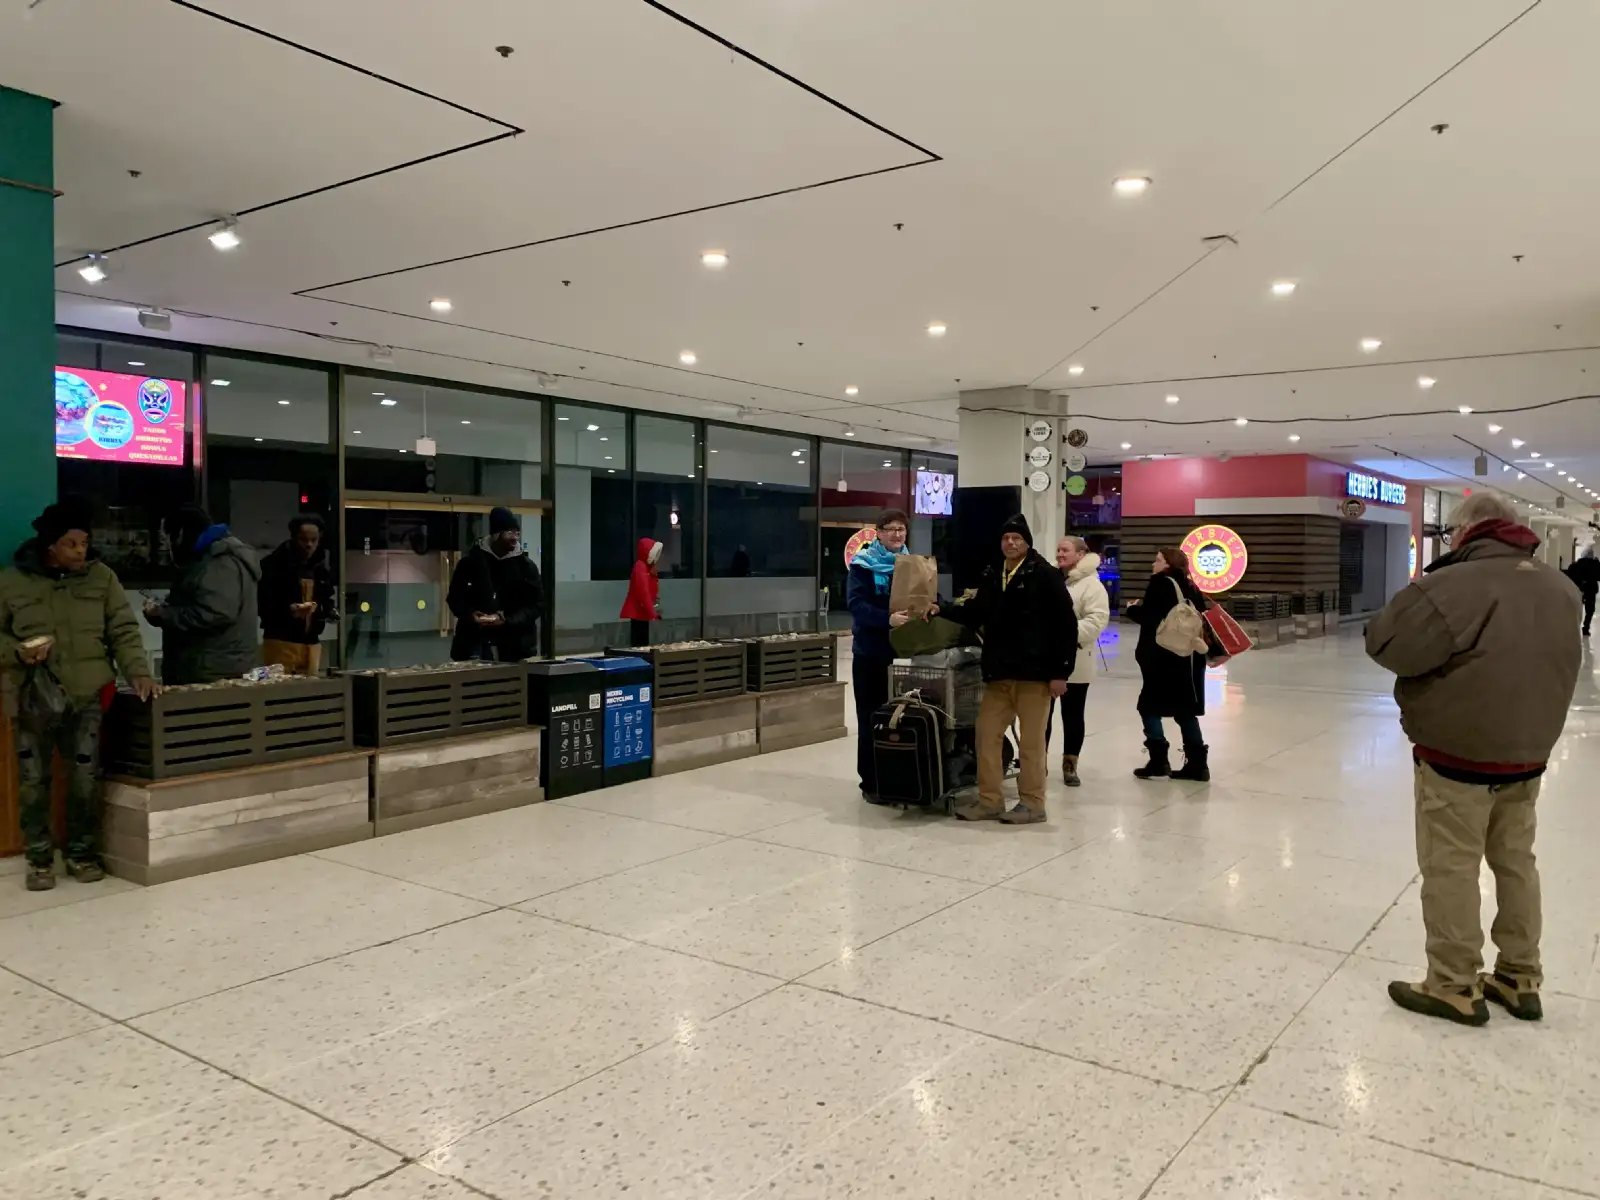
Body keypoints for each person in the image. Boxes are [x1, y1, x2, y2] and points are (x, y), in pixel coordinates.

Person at [1366, 492, 1580, 1026]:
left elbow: (1388, 644)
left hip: (1458, 752)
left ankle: (1453, 983)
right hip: (1528, 752)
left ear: (1463, 532)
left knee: (1451, 867)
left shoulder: (1452, 585)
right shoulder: (1561, 587)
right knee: (1516, 861)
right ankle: (1519, 976)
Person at [0, 497, 158, 891]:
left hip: (87, 694)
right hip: (30, 695)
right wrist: (17, 652)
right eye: (70, 544)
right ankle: (39, 860)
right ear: (50, 545)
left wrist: (138, 671)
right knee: (33, 780)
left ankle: (81, 853)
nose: (80, 551)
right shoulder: (12, 581)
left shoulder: (101, 578)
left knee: (85, 777)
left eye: (84, 543)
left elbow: (123, 629)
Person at [945, 514, 1076, 824]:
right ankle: (990, 801)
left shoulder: (1045, 575)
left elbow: (1065, 625)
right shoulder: (994, 575)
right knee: (986, 735)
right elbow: (975, 612)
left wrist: (1061, 673)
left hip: (1034, 675)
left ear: (1027, 542)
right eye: (1006, 538)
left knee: (1031, 744)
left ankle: (1033, 804)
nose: (1011, 542)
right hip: (999, 674)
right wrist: (942, 608)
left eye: (1017, 538)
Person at [145, 505, 261, 685]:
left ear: (181, 534)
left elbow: (215, 613)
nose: (166, 546)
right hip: (214, 666)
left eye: (167, 538)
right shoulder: (209, 559)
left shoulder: (219, 561)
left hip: (212, 670)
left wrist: (164, 614)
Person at [846, 510, 915, 801]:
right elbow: (856, 605)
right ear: (879, 532)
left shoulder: (912, 565)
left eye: (901, 529)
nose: (897, 534)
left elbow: (924, 596)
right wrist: (887, 619)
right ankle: (871, 782)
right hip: (871, 654)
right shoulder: (863, 565)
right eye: (891, 529)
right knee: (871, 718)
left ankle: (898, 778)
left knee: (900, 719)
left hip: (904, 654)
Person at [1127, 547, 1210, 781]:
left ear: (1168, 564)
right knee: (1185, 710)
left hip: (1162, 657)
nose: (1153, 564)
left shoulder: (1160, 584)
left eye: (1158, 560)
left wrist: (1132, 609)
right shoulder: (1191, 586)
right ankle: (1198, 765)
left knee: (1148, 706)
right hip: (1188, 657)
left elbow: (1152, 619)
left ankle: (1158, 760)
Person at [1045, 536, 1110, 787]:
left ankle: (1070, 765)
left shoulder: (1091, 585)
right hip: (1046, 660)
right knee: (1041, 716)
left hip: (1077, 660)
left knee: (1072, 716)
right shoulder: (1051, 578)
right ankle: (1037, 762)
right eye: (1058, 550)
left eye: (1066, 550)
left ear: (1080, 554)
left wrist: (1062, 633)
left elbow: (1096, 621)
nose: (1060, 554)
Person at [447, 506, 544, 661]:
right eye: (509, 533)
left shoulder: (526, 567)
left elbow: (537, 604)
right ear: (495, 535)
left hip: (516, 647)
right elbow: (454, 598)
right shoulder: (471, 563)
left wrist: (507, 619)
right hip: (475, 644)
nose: (514, 538)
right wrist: (470, 614)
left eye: (517, 533)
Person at [258, 514, 337, 676]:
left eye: (314, 540)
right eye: (303, 540)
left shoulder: (320, 568)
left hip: (312, 643)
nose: (309, 545)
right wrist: (289, 611)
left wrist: (329, 611)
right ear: (293, 538)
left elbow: (326, 596)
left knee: (310, 689)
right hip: (281, 642)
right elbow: (262, 603)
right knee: (281, 688)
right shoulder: (273, 565)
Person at [620, 538, 664, 647]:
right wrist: (652, 613)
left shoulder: (646, 568)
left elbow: (650, 589)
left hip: (642, 611)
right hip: (638, 611)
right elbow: (643, 592)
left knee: (642, 642)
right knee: (639, 642)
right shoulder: (640, 566)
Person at [1564, 545, 1599, 636]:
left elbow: (1569, 576)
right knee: (1590, 610)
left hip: (1578, 589)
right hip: (1591, 590)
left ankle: (1573, 627)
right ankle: (1586, 628)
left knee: (1575, 608)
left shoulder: (1576, 565)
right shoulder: (1595, 565)